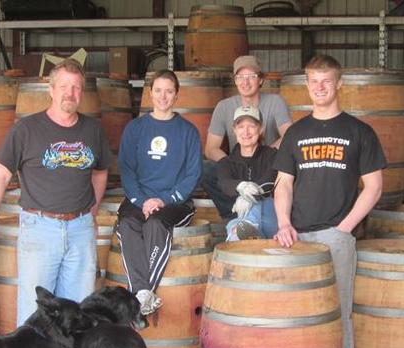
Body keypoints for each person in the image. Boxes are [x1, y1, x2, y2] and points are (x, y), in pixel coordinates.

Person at [273, 54, 386, 348]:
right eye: (313, 81)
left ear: (339, 84)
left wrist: (345, 228)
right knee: (295, 317)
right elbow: (284, 183)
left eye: (326, 81)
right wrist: (284, 222)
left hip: (335, 237)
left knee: (339, 318)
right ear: (306, 85)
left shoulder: (359, 131)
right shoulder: (296, 133)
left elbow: (374, 186)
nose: (319, 87)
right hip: (297, 238)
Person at [0, 58, 111, 325]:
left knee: (77, 315)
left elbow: (101, 172)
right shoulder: (26, 129)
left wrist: (91, 213)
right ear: (51, 89)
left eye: (77, 87)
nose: (70, 93)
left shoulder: (93, 130)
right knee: (36, 317)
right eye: (65, 86)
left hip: (80, 231)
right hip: (39, 229)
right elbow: (1, 174)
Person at [116, 69, 202, 316]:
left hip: (176, 203)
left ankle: (142, 292)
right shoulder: (135, 128)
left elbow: (192, 174)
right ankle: (144, 293)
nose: (163, 96)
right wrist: (142, 200)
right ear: (150, 93)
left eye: (169, 91)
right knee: (128, 225)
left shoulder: (188, 131)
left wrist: (165, 200)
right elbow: (127, 170)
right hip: (139, 198)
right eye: (158, 91)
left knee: (154, 225)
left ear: (177, 95)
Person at [202, 55, 291, 219]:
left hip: (267, 168)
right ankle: (234, 213)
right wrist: (229, 165)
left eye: (251, 76)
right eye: (240, 77)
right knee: (204, 169)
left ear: (261, 80)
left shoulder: (275, 102)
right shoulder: (224, 106)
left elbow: (289, 136)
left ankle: (257, 211)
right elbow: (211, 148)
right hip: (237, 167)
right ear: (235, 80)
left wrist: (265, 154)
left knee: (289, 168)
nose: (246, 82)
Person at [217, 105, 277, 241]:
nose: (246, 131)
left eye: (251, 126)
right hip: (239, 217)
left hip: (271, 219)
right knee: (234, 229)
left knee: (261, 200)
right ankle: (243, 231)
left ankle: (247, 225)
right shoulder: (226, 162)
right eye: (241, 127)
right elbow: (224, 182)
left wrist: (250, 195)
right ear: (234, 130)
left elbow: (272, 177)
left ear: (261, 129)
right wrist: (241, 186)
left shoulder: (273, 155)